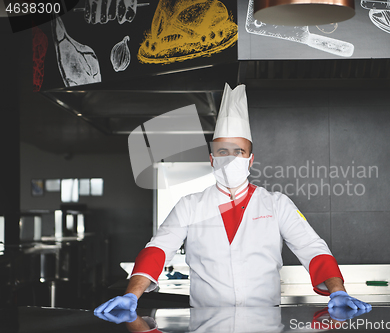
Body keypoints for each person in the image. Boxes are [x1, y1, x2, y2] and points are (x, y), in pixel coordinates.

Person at [95, 83, 371, 316]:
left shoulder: (276, 204)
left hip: (265, 320)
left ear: (250, 160)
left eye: (238, 151)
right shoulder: (189, 205)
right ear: (212, 158)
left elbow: (313, 249)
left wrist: (338, 290)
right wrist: (132, 295)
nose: (230, 158)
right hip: (206, 321)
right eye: (222, 151)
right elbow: (158, 250)